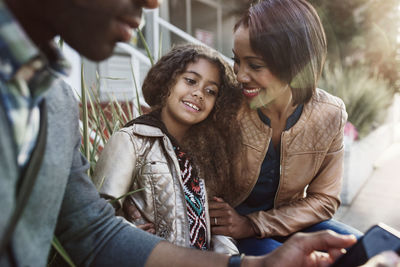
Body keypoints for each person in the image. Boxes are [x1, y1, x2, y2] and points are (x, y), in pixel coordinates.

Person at [0, 0, 360, 266]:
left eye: (210, 91)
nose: (154, 3)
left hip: (252, 235)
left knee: (356, 246)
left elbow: (93, 232)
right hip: (235, 232)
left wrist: (254, 263)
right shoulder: (139, 137)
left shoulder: (55, 104)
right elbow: (107, 217)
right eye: (190, 81)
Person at [206, 0, 363, 255]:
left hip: (290, 221)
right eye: (237, 61)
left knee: (364, 250)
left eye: (255, 65)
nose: (241, 75)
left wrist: (254, 224)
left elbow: (324, 200)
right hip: (231, 230)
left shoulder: (329, 114)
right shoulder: (224, 106)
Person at [92, 43, 241, 254]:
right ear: (167, 81)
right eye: (190, 81)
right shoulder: (132, 140)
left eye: (211, 91)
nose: (199, 94)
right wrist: (132, 236)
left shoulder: (209, 154)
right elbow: (99, 214)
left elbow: (217, 229)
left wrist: (229, 260)